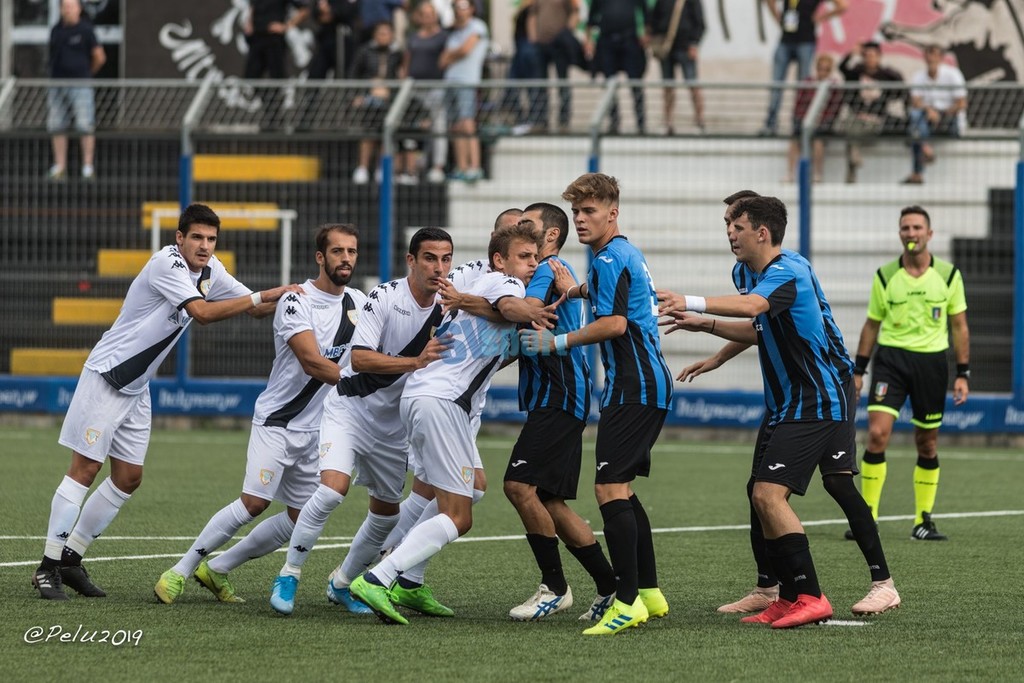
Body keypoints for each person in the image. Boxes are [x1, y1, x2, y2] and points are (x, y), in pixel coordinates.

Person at [31, 203, 303, 601]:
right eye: (197, 237)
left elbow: (257, 307)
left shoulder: (212, 270)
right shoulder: (167, 263)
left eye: (211, 239)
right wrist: (265, 294)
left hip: (138, 387)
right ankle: (47, 566)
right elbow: (202, 313)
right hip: (107, 376)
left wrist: (306, 297)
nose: (204, 246)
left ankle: (71, 559)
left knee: (128, 477)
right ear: (180, 238)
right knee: (85, 468)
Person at [659, 195, 894, 627]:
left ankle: (866, 585)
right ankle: (776, 591)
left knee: (816, 486)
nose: (729, 232)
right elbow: (762, 325)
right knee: (761, 489)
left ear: (761, 231)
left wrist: (691, 302)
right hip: (791, 397)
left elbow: (755, 308)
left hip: (822, 392)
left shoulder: (789, 270)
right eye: (727, 223)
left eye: (736, 224)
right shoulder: (745, 271)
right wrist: (714, 343)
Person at [153, 224, 365, 604]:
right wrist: (367, 386)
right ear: (320, 257)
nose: (346, 259)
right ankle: (180, 571)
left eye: (351, 251)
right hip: (278, 421)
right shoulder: (295, 301)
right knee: (254, 503)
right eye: (337, 251)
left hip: (319, 428)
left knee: (301, 517)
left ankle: (217, 569)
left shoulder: (360, 304)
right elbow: (312, 362)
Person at [349, 223, 542, 625]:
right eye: (524, 256)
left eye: (536, 257)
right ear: (499, 260)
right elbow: (511, 308)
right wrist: (539, 311)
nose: (532, 264)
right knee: (459, 516)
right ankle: (379, 576)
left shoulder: (480, 290)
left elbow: (493, 331)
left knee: (474, 486)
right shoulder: (504, 283)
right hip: (441, 402)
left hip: (428, 397)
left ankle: (410, 581)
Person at [268, 228, 454, 616]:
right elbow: (360, 358)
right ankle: (289, 573)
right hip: (350, 408)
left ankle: (342, 583)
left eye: (446, 259)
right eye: (429, 258)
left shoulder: (451, 306)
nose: (439, 268)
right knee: (332, 490)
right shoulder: (384, 297)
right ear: (411, 261)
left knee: (387, 515)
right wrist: (416, 362)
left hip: (393, 426)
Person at [520, 173, 674, 636]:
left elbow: (615, 324)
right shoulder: (622, 254)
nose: (581, 219)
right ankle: (648, 592)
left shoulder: (608, 258)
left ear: (613, 213)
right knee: (622, 489)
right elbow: (613, 294)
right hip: (644, 383)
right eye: (576, 212)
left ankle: (625, 602)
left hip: (633, 385)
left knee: (608, 490)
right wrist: (575, 290)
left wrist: (554, 342)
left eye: (589, 211)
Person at [502, 203, 618, 622]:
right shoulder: (554, 270)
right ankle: (610, 587)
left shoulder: (546, 270)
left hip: (559, 395)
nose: (520, 228)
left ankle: (554, 587)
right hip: (564, 396)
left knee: (518, 485)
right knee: (550, 500)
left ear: (550, 236)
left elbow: (517, 309)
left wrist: (473, 299)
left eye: (527, 224)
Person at [847, 205, 970, 541]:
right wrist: (859, 370)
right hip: (891, 361)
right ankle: (867, 518)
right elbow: (871, 325)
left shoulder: (949, 275)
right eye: (906, 228)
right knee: (877, 434)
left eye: (917, 228)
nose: (911, 233)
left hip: (931, 363)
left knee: (927, 443)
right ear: (900, 233)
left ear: (929, 234)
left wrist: (963, 373)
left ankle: (923, 521)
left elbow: (959, 326)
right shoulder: (885, 275)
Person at [759, 0, 848, 136]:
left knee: (803, 86)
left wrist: (821, 17)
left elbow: (843, 6)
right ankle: (771, 123)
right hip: (786, 39)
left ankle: (798, 124)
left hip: (806, 40)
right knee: (777, 85)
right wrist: (778, 18)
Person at [47, 0, 106, 181]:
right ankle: (60, 166)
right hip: (57, 85)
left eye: (71, 6)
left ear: (79, 9)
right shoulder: (56, 30)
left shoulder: (86, 30)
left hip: (80, 85)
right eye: (65, 7)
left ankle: (87, 167)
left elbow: (99, 57)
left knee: (85, 125)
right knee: (57, 124)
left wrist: (87, 74)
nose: (68, 10)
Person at [837, 41, 904, 184]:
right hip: (857, 118)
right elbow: (842, 68)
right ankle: (853, 160)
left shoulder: (886, 75)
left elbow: (901, 87)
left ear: (879, 57)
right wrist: (851, 53)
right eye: (866, 56)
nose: (869, 59)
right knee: (850, 122)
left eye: (872, 56)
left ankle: (852, 167)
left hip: (875, 120)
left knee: (852, 130)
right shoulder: (857, 72)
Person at [349, 21, 404, 185]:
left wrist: (391, 91)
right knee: (368, 133)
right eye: (380, 33)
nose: (383, 36)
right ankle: (363, 167)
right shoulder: (364, 52)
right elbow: (354, 74)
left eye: (387, 33)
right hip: (369, 98)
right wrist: (358, 94)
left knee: (386, 134)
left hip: (388, 100)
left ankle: (382, 168)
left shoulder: (397, 54)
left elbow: (401, 76)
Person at [904, 45, 966, 185]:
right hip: (927, 120)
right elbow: (916, 102)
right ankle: (925, 149)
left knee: (916, 130)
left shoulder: (953, 74)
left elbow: (961, 104)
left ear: (941, 58)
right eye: (929, 54)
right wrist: (929, 110)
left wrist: (941, 114)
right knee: (916, 119)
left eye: (935, 54)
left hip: (950, 119)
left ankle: (917, 172)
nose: (931, 58)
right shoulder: (919, 76)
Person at [441, 0, 489, 182]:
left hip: (467, 82)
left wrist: (452, 54)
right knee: (456, 126)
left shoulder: (478, 26)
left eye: (463, 6)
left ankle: (474, 167)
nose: (459, 11)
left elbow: (465, 50)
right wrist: (455, 53)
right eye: (456, 7)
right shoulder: (454, 32)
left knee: (468, 124)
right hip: (450, 82)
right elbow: (442, 60)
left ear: (471, 9)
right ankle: (461, 167)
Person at [244, 0, 310, 129]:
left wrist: (286, 26)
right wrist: (249, 23)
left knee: (277, 79)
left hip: (273, 40)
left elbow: (304, 10)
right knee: (250, 77)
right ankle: (271, 111)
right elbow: (253, 7)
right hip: (257, 38)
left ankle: (275, 118)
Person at [586, 0, 649, 135]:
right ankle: (614, 121)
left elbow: (645, 12)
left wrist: (646, 33)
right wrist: (589, 40)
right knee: (609, 83)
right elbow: (591, 17)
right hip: (607, 42)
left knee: (636, 83)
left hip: (630, 41)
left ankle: (641, 122)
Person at [404, 1, 450, 184]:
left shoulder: (443, 36)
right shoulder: (413, 37)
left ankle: (438, 166)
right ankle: (411, 169)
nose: (428, 17)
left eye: (431, 14)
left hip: (436, 88)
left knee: (438, 127)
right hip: (414, 89)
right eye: (424, 14)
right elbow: (407, 60)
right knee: (411, 129)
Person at [650, 0, 706, 134]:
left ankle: (699, 119)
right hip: (666, 47)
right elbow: (654, 20)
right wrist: (655, 40)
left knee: (692, 84)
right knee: (667, 86)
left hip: (686, 47)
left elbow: (700, 23)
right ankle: (668, 121)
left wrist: (694, 43)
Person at [785, 52, 841, 183]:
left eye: (826, 69)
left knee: (818, 142)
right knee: (794, 140)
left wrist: (821, 120)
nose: (823, 72)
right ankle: (790, 174)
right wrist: (802, 120)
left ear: (830, 71)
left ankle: (817, 174)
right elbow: (799, 104)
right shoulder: (808, 82)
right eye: (821, 68)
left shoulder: (834, 85)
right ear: (816, 68)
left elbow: (834, 108)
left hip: (823, 123)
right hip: (805, 121)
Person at [532, 0, 582, 133]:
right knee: (540, 84)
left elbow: (575, 14)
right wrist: (533, 37)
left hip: (560, 46)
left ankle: (564, 121)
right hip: (541, 45)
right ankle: (541, 120)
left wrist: (566, 32)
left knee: (563, 83)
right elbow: (533, 15)